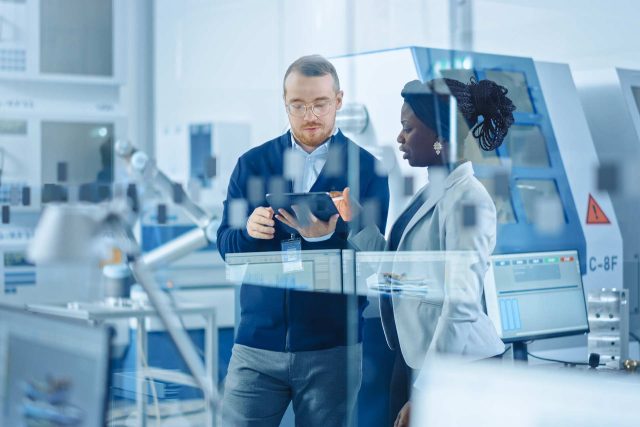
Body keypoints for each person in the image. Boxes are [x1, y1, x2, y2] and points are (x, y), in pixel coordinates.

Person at [277, 76, 515, 427]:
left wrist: (431, 389)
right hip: (414, 356)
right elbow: (397, 272)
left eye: (408, 128)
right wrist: (355, 221)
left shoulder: (469, 200)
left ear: (440, 136)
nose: (399, 138)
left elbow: (461, 304)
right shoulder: (432, 193)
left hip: (457, 366)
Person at [216, 54, 389, 427]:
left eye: (320, 104)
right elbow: (225, 247)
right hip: (255, 345)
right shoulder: (252, 164)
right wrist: (247, 232)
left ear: (339, 101)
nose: (309, 115)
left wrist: (326, 236)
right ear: (285, 103)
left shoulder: (368, 170)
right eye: (298, 105)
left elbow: (375, 261)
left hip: (333, 348)